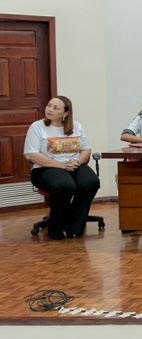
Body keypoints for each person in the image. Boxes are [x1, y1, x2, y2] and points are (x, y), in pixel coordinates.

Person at [23, 96, 100, 240]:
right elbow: (31, 154)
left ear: (65, 114)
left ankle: (74, 228)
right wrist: (60, 165)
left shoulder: (76, 126)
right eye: (49, 105)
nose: (49, 109)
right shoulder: (37, 127)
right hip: (45, 168)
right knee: (65, 186)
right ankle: (55, 228)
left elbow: (86, 150)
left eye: (55, 108)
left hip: (72, 165)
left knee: (90, 182)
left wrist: (77, 162)